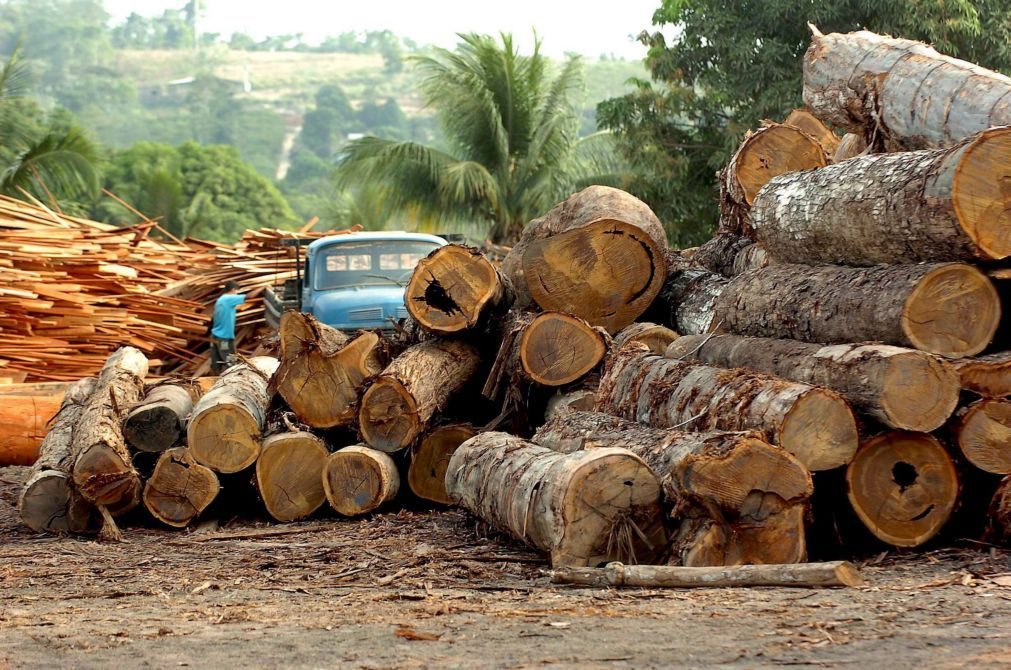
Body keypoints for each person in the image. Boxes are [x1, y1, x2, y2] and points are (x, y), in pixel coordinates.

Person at [210, 280, 246, 374]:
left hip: (216, 335)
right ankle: (231, 379)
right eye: (237, 292)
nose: (237, 294)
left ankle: (214, 378)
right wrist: (263, 288)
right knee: (230, 359)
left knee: (216, 361)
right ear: (233, 290)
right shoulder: (228, 298)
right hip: (224, 337)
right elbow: (248, 297)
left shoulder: (221, 299)